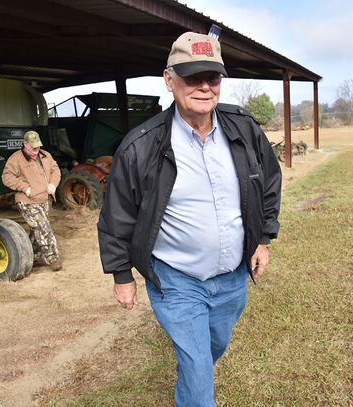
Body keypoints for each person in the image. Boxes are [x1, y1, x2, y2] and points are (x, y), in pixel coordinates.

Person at [97, 31, 282, 406]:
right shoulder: (141, 146)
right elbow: (117, 215)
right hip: (177, 281)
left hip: (232, 278)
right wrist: (121, 276)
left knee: (212, 346)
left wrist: (263, 239)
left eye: (211, 77)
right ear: (169, 80)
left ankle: (193, 370)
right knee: (199, 370)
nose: (203, 86)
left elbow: (269, 182)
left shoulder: (243, 128)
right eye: (191, 76)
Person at [2, 130, 62, 271]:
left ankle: (33, 256)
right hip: (27, 200)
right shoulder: (15, 159)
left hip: (45, 199)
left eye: (38, 147)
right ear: (25, 144)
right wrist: (24, 187)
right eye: (33, 148)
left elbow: (56, 170)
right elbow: (6, 177)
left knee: (37, 229)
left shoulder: (46, 155)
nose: (36, 151)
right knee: (43, 228)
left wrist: (53, 184)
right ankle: (53, 258)